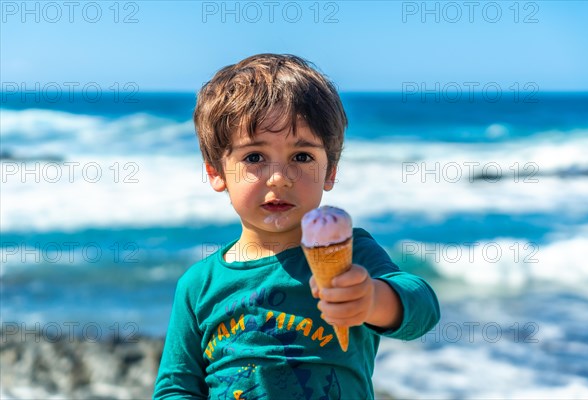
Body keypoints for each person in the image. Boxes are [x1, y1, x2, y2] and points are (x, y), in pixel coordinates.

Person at [153, 53, 440, 399]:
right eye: (254, 157)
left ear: (330, 171)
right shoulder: (198, 285)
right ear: (216, 172)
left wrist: (373, 300)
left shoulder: (351, 252)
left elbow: (423, 308)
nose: (280, 178)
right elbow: (175, 386)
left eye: (302, 157)